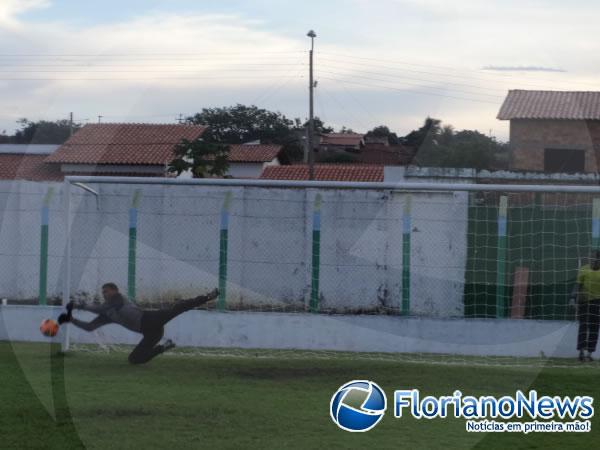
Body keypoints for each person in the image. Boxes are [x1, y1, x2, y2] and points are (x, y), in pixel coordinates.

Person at [58, 283, 219, 364]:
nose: (104, 294)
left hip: (150, 319)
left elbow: (100, 308)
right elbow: (89, 327)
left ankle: (208, 297)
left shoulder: (117, 299)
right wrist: (72, 320)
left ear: (114, 291)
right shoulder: (107, 314)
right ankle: (164, 347)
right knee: (134, 359)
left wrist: (79, 305)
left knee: (177, 308)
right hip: (151, 333)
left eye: (106, 291)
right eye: (103, 292)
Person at [570, 250, 600, 362]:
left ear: (598, 259)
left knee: (594, 327)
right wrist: (573, 298)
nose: (590, 259)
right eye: (590, 257)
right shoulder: (584, 269)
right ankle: (581, 352)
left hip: (597, 302)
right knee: (583, 326)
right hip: (584, 301)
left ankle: (590, 353)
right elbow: (577, 285)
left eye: (593, 257)